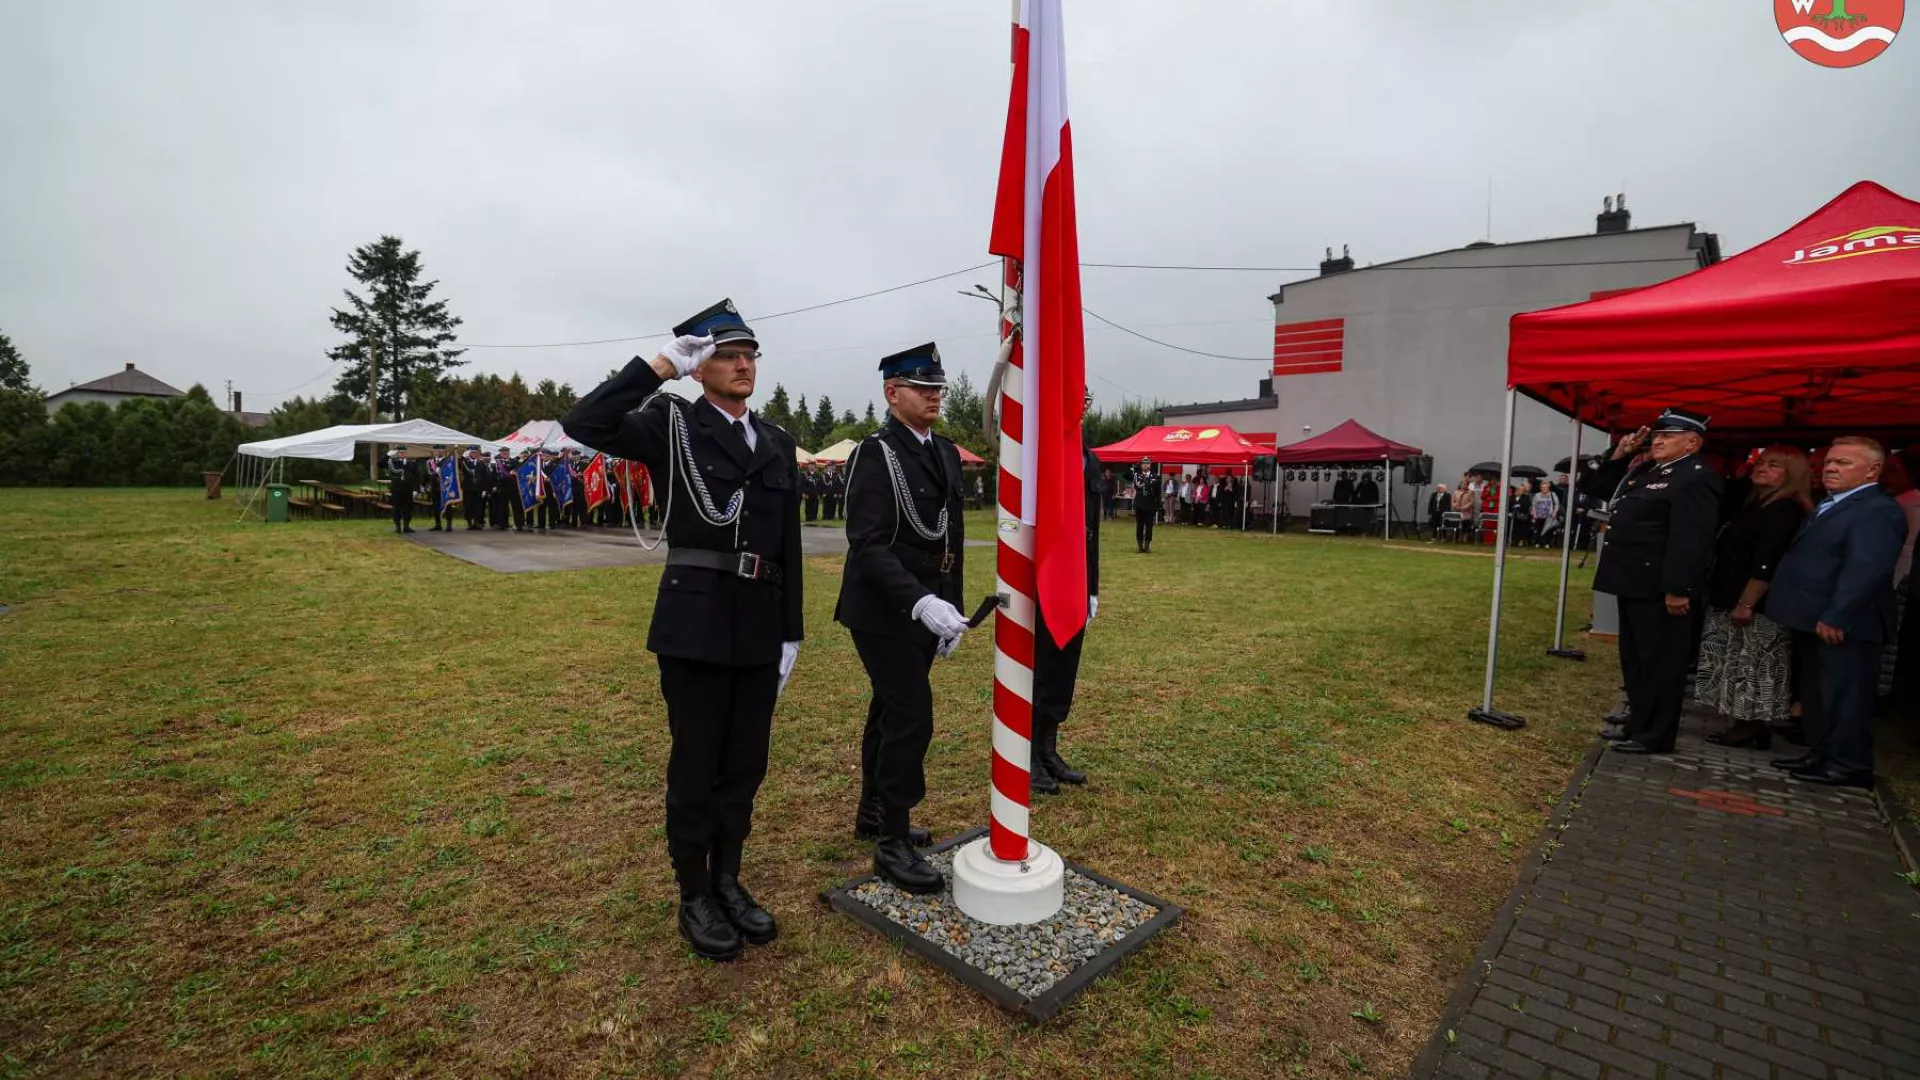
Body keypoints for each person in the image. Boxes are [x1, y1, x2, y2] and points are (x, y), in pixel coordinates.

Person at [561, 298, 803, 962]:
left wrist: (792, 633)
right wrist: (660, 364)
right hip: (694, 622)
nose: (743, 364)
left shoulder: (776, 441)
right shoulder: (670, 423)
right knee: (696, 764)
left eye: (750, 354)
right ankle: (694, 891)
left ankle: (729, 878)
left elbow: (787, 545)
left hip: (759, 621)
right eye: (727, 354)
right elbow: (585, 421)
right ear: (701, 368)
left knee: (745, 765)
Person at [836, 342, 967, 895]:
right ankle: (892, 840)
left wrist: (949, 606)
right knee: (911, 713)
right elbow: (866, 543)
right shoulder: (876, 452)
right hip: (882, 607)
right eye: (923, 387)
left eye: (938, 387)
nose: (935, 396)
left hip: (927, 606)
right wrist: (918, 601)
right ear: (893, 393)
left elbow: (949, 536)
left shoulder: (946, 452)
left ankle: (872, 810)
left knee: (889, 708)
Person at [1766, 437, 1908, 788]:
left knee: (1845, 695)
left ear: (1873, 470)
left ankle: (1848, 764)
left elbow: (1866, 568)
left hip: (1846, 624)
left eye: (1843, 463)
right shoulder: (1833, 503)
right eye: (1829, 461)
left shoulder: (1878, 510)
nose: (1830, 468)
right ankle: (1822, 752)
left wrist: (1838, 615)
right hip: (1814, 618)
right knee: (1818, 694)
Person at [1578, 408, 1722, 755]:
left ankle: (1655, 734)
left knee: (1661, 662)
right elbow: (1593, 486)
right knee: (1637, 658)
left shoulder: (1695, 476)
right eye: (1657, 435)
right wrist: (1619, 454)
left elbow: (1691, 538)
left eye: (1668, 436)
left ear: (1692, 441)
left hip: (1660, 586)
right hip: (1634, 581)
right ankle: (1640, 722)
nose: (1658, 440)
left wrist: (1677, 588)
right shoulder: (1647, 470)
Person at [1695, 446, 1813, 750]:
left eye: (1774, 465)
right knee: (1737, 662)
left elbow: (1767, 561)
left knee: (1753, 664)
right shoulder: (1757, 503)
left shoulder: (1784, 509)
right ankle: (1745, 723)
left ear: (1792, 474)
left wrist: (1747, 602)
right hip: (1732, 594)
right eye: (1760, 462)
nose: (1762, 468)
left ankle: (1749, 725)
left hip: (1755, 603)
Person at [1032, 432, 1102, 794]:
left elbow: (1093, 532)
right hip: (1045, 573)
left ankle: (1048, 749)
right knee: (1040, 666)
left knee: (1064, 667)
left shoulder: (1089, 458)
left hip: (1076, 574)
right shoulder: (1040, 451)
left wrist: (1092, 586)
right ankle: (1027, 753)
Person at [489, 448, 524, 532]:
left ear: (509, 453)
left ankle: (519, 524)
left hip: (514, 488)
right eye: (503, 452)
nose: (505, 454)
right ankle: (503, 524)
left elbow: (520, 471)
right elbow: (493, 476)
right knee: (502, 507)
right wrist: (494, 486)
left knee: (517, 507)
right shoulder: (496, 464)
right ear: (500, 453)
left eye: (506, 452)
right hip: (502, 488)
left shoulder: (515, 462)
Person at [1132, 457, 1162, 553]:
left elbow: (1158, 492)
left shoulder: (1156, 476)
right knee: (1139, 526)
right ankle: (1140, 546)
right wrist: (1136, 468)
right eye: (1143, 464)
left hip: (1150, 504)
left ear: (1150, 465)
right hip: (1140, 504)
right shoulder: (1137, 475)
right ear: (1141, 465)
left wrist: (1157, 505)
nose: (1145, 465)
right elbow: (1127, 476)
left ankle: (1147, 545)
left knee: (1149, 526)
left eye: (1147, 463)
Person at [387, 448, 419, 534]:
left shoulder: (412, 463)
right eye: (400, 453)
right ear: (397, 454)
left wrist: (416, 489)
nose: (402, 454)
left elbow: (417, 476)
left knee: (408, 508)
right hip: (396, 489)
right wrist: (388, 455)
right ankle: (397, 526)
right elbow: (379, 464)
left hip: (408, 489)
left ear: (405, 453)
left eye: (403, 452)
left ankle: (406, 526)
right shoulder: (393, 462)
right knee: (396, 508)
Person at [460, 449, 490, 530]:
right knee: (468, 506)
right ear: (469, 454)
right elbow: (459, 465)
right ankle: (469, 523)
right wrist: (462, 456)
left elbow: (485, 477)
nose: (474, 454)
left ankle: (476, 522)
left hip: (478, 488)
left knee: (478, 506)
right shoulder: (464, 463)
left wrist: (484, 489)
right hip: (468, 488)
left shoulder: (481, 463)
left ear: (478, 454)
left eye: (475, 453)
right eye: (472, 453)